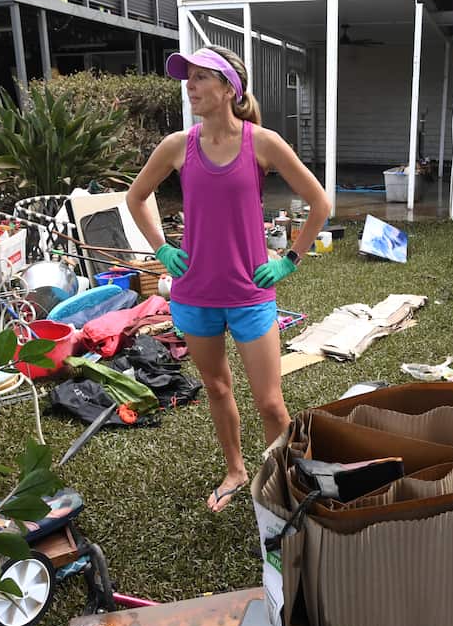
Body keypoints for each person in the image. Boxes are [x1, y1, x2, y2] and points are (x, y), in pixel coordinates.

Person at [126, 46, 330, 513]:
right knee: (217, 388)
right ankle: (236, 470)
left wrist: (290, 259)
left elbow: (319, 203)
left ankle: (285, 485)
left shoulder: (263, 142)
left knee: (271, 403)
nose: (189, 86)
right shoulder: (177, 146)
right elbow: (137, 197)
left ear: (228, 89)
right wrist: (160, 247)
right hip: (195, 295)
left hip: (249, 295)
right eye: (188, 78)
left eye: (200, 78)